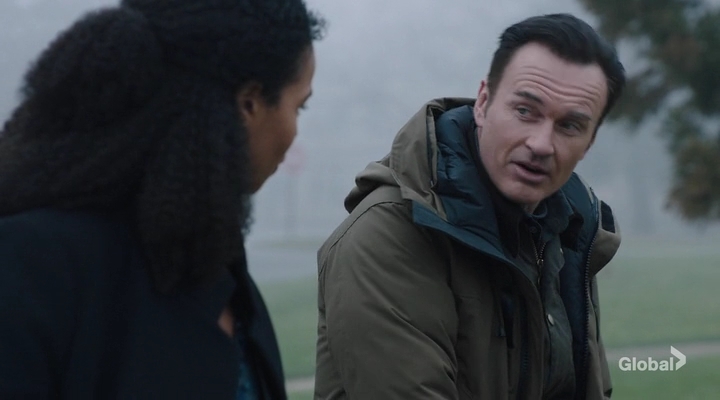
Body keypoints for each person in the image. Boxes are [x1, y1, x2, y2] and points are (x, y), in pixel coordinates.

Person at [0, 0, 324, 398]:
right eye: (299, 106)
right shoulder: (30, 265)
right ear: (250, 103)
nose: (295, 132)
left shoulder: (216, 268)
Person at [315, 13, 625, 400]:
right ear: (483, 102)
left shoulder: (567, 233)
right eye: (525, 111)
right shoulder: (386, 238)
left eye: (569, 126)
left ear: (589, 143)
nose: (541, 144)